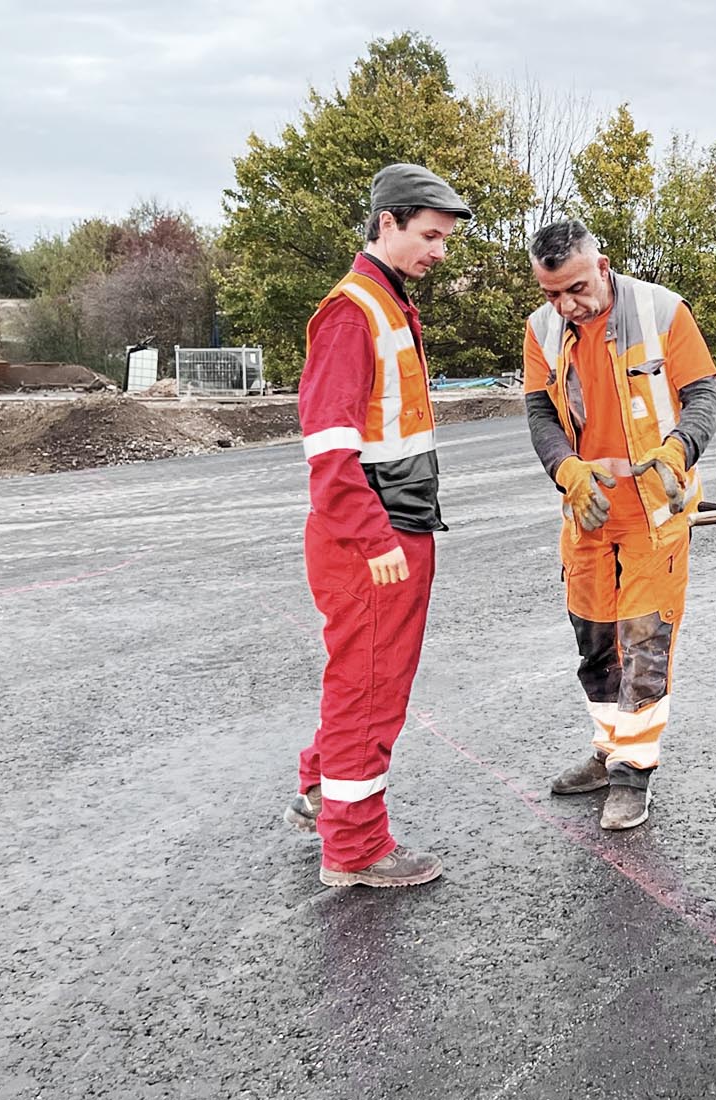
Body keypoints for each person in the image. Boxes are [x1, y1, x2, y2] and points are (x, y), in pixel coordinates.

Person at [283, 163, 471, 888]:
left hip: (390, 530)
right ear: (386, 223)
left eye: (445, 239)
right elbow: (330, 452)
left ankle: (319, 790)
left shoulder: (385, 301)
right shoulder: (353, 312)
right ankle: (356, 846)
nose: (439, 251)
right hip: (374, 539)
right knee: (369, 687)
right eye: (430, 236)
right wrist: (374, 538)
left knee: (360, 678)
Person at [521, 220, 716, 830]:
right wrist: (568, 471)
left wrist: (677, 451)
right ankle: (609, 751)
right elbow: (540, 413)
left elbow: (704, 397)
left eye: (576, 288)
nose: (566, 305)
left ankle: (634, 772)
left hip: (653, 515)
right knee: (594, 644)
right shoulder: (542, 329)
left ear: (602, 267)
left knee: (644, 644)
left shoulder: (663, 312)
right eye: (553, 293)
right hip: (589, 513)